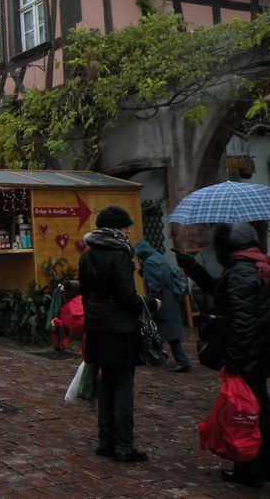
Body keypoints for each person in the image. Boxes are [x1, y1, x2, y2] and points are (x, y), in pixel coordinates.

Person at [176, 223, 270, 488]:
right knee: (259, 407)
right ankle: (262, 465)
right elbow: (220, 289)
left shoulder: (241, 270)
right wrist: (193, 268)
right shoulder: (256, 264)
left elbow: (242, 321)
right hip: (260, 350)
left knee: (247, 412)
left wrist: (235, 359)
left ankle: (249, 470)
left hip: (249, 352)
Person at [77, 205, 158, 462]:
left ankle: (105, 441)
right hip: (120, 330)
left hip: (97, 327)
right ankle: (124, 445)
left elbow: (86, 295)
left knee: (106, 385)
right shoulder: (120, 254)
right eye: (126, 227)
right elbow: (127, 295)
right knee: (123, 385)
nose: (128, 231)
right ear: (117, 228)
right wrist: (149, 304)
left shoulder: (87, 256)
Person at [134, 239, 190, 372]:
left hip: (162, 302)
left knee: (160, 332)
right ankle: (165, 358)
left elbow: (154, 285)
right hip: (169, 300)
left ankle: (179, 361)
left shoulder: (150, 262)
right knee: (167, 333)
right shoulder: (158, 258)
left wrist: (152, 302)